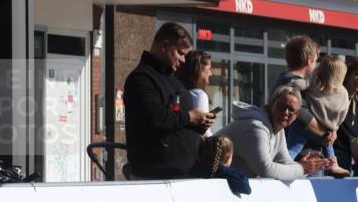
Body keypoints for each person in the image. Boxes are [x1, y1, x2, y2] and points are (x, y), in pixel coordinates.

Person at [123, 23, 213, 179]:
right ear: (164, 46)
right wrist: (190, 117)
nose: (184, 60)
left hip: (184, 172)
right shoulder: (141, 79)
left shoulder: (174, 81)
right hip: (157, 177)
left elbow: (178, 121)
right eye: (180, 53)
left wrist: (200, 124)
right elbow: (155, 119)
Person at [218, 85, 329, 181]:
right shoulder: (257, 128)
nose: (286, 113)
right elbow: (266, 169)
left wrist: (304, 167)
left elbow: (284, 162)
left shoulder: (278, 130)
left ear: (297, 114)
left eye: (291, 109)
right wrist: (302, 168)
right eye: (281, 106)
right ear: (271, 105)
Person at [273, 35, 335, 159]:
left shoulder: (285, 80)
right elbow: (303, 117)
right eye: (316, 61)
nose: (316, 65)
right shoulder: (294, 84)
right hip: (302, 158)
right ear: (309, 60)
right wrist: (326, 134)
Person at [303, 55, 350, 177]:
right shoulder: (344, 93)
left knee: (293, 146)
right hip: (329, 131)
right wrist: (335, 127)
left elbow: (301, 85)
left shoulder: (315, 84)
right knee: (328, 144)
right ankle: (333, 164)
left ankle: (284, 162)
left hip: (307, 126)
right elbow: (343, 114)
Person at [334, 56, 358, 170]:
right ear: (347, 75)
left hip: (348, 157)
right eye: (357, 74)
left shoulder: (355, 99)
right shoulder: (339, 96)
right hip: (337, 156)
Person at [176, 50, 214, 137]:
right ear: (200, 69)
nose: (211, 73)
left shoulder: (180, 91)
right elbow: (205, 134)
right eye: (209, 69)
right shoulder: (199, 95)